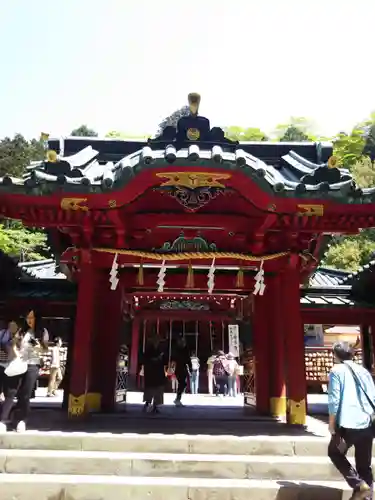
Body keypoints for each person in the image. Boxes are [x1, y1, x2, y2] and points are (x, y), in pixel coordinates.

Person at [328, 341, 375, 500]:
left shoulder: (336, 371)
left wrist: (332, 424)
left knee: (334, 452)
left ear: (335, 354)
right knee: (364, 464)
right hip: (367, 421)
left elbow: (334, 401)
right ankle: (366, 496)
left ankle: (358, 485)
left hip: (348, 423)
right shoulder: (364, 371)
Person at [13, 310, 49, 432]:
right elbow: (15, 344)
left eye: (32, 318)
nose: (29, 320)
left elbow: (44, 350)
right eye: (28, 317)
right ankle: (15, 415)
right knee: (15, 391)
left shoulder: (41, 332)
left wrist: (36, 344)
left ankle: (23, 419)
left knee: (26, 393)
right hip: (19, 363)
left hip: (33, 365)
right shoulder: (22, 331)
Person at [0, 320, 24, 433]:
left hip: (15, 368)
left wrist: (14, 344)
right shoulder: (2, 334)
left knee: (11, 393)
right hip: (2, 365)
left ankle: (4, 419)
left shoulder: (23, 337)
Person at [140, 336, 166, 414]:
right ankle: (147, 404)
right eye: (155, 341)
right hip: (151, 372)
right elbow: (144, 360)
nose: (157, 342)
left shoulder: (160, 350)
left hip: (158, 373)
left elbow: (163, 361)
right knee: (150, 390)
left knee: (158, 390)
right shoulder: (148, 351)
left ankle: (155, 406)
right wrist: (154, 360)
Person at [172, 336, 192, 407]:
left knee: (182, 383)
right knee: (183, 383)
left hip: (180, 368)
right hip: (181, 368)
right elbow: (188, 359)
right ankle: (177, 399)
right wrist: (190, 367)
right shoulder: (183, 350)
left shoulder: (177, 350)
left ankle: (178, 399)